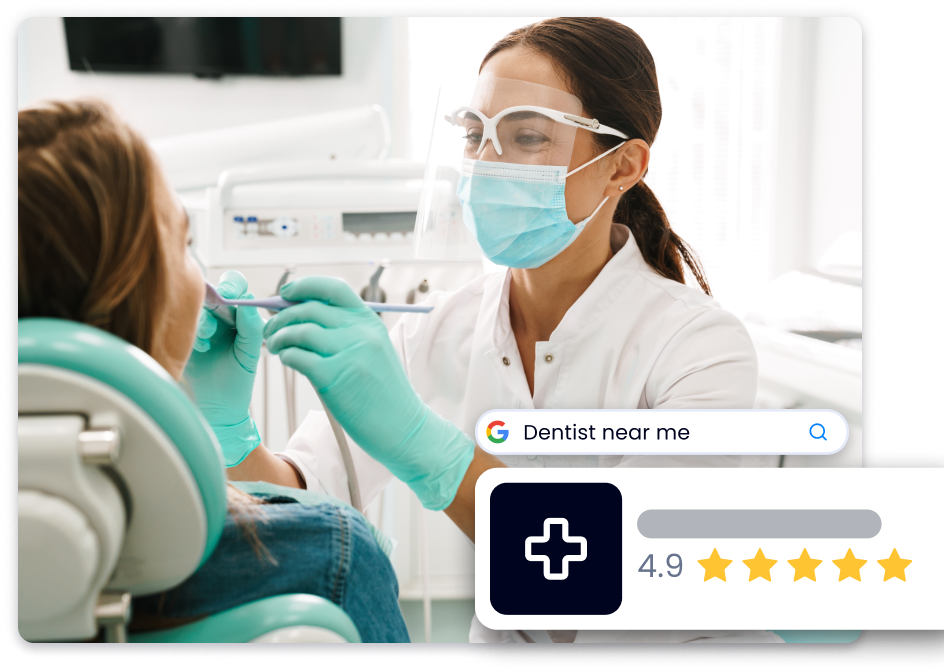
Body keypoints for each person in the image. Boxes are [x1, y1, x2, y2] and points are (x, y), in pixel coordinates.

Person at [261, 18, 781, 643]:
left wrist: (427, 448)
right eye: (474, 135)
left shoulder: (702, 349)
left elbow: (607, 552)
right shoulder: (438, 331)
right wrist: (227, 431)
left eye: (527, 136)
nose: (486, 164)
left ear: (623, 167)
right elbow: (298, 494)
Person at [16, 100, 411, 642]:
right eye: (184, 242)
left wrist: (234, 439)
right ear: (139, 295)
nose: (201, 281)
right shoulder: (329, 560)